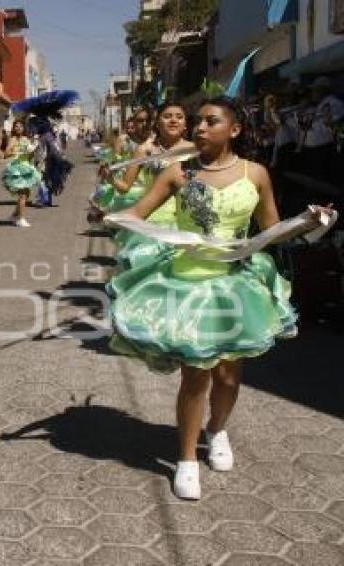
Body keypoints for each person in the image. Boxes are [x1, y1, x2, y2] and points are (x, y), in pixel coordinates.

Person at [107, 96, 332, 501]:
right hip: (187, 285)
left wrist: (308, 222)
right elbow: (135, 214)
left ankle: (217, 428)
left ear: (235, 129)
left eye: (211, 121)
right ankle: (188, 458)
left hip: (234, 285)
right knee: (195, 374)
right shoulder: (178, 173)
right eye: (198, 122)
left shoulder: (256, 173)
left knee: (229, 374)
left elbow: (271, 230)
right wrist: (112, 216)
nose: (199, 128)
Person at [109, 102, 196, 270]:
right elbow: (125, 186)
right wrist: (110, 178)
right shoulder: (145, 150)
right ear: (157, 122)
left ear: (186, 124)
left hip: (188, 223)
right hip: (152, 224)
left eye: (179, 117)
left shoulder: (196, 150)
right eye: (167, 116)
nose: (173, 120)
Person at [2, 118, 40, 227]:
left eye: (20, 126)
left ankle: (14, 215)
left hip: (26, 167)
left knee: (27, 193)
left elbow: (29, 155)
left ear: (24, 128)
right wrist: (16, 151)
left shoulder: (26, 139)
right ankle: (20, 218)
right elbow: (6, 154)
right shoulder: (12, 139)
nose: (18, 128)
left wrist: (32, 151)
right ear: (14, 128)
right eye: (16, 126)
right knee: (23, 194)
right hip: (16, 170)